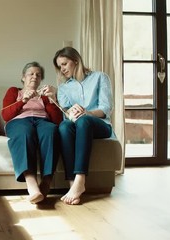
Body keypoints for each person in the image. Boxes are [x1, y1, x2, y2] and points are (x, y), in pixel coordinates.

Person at [53, 47, 113, 205]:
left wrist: (87, 113)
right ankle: (72, 184)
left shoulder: (100, 77)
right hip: (77, 124)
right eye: (60, 66)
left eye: (65, 64)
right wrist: (70, 113)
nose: (62, 69)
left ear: (76, 61)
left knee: (84, 121)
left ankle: (80, 179)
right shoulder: (64, 88)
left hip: (100, 125)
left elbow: (106, 108)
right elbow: (65, 114)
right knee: (64, 127)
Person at [1, 61, 63, 204]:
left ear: (41, 79)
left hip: (42, 121)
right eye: (31, 74)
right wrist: (23, 100)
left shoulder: (45, 95)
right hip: (19, 121)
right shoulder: (14, 91)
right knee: (24, 132)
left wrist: (52, 100)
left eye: (38, 75)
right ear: (23, 77)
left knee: (51, 131)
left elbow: (57, 120)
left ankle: (46, 182)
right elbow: (5, 115)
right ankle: (32, 184)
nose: (35, 76)